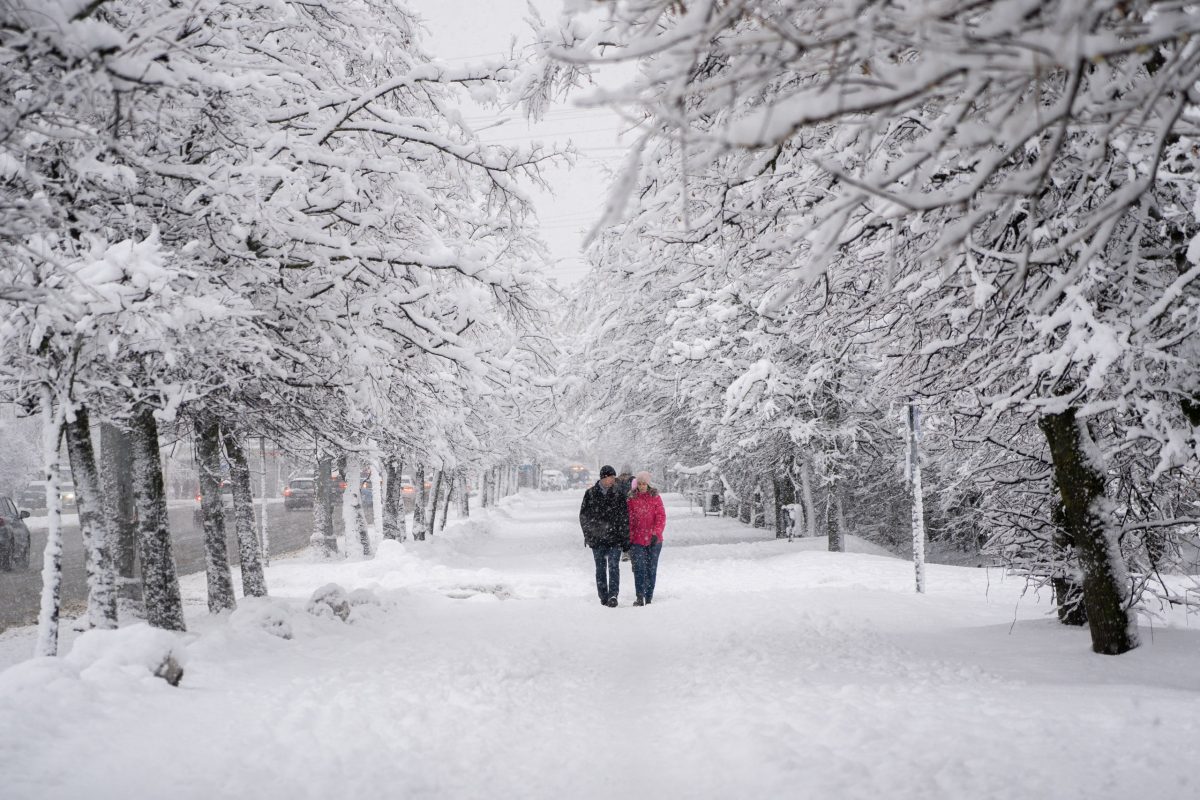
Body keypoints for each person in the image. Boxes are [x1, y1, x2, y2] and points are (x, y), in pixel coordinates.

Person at [579, 465, 631, 607]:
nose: (612, 480)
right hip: (597, 539)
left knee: (614, 567)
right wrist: (589, 535)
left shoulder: (619, 495)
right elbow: (584, 517)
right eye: (610, 478)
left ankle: (613, 595)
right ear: (603, 478)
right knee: (600, 568)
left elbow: (624, 518)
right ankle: (603, 596)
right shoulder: (590, 494)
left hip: (615, 538)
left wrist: (625, 538)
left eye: (614, 478)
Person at [627, 470, 666, 606]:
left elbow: (661, 516)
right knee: (639, 569)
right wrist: (629, 536)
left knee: (651, 569)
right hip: (637, 540)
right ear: (637, 484)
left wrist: (656, 532)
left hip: (654, 540)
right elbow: (630, 519)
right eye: (640, 483)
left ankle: (649, 597)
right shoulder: (632, 498)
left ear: (648, 484)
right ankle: (639, 597)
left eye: (644, 484)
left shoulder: (655, 497)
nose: (642, 486)